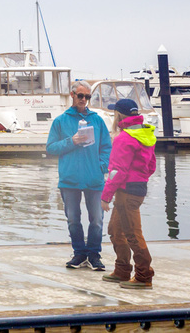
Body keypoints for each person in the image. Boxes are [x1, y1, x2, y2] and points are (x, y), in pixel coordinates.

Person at [45, 80, 112, 270]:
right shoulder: (60, 121)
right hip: (70, 179)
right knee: (73, 219)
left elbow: (107, 147)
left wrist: (101, 166)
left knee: (97, 220)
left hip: (94, 179)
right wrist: (71, 141)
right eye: (81, 96)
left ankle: (94, 254)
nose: (84, 100)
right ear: (72, 95)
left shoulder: (97, 120)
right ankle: (79, 253)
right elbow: (50, 148)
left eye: (87, 97)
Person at [101, 98, 157, 289]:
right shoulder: (146, 133)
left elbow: (117, 171)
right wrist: (140, 177)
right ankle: (122, 270)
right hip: (137, 188)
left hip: (126, 191)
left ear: (119, 115)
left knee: (132, 234)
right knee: (116, 231)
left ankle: (144, 275)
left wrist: (105, 196)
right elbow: (152, 166)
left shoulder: (123, 138)